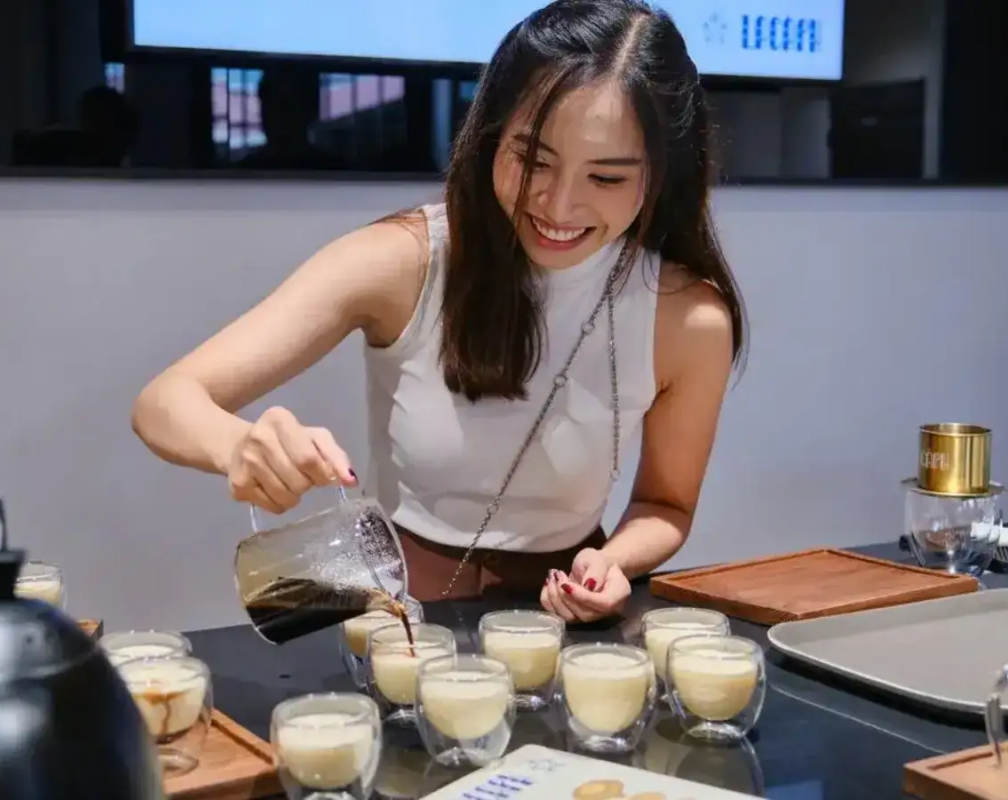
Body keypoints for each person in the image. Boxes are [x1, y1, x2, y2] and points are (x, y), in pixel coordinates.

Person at [132, 0, 746, 622]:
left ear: (661, 174)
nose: (559, 206)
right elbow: (164, 401)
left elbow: (666, 506)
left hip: (563, 622)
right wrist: (240, 446)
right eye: (533, 160)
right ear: (491, 135)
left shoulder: (687, 318)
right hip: (397, 615)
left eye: (606, 178)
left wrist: (614, 562)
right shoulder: (405, 260)